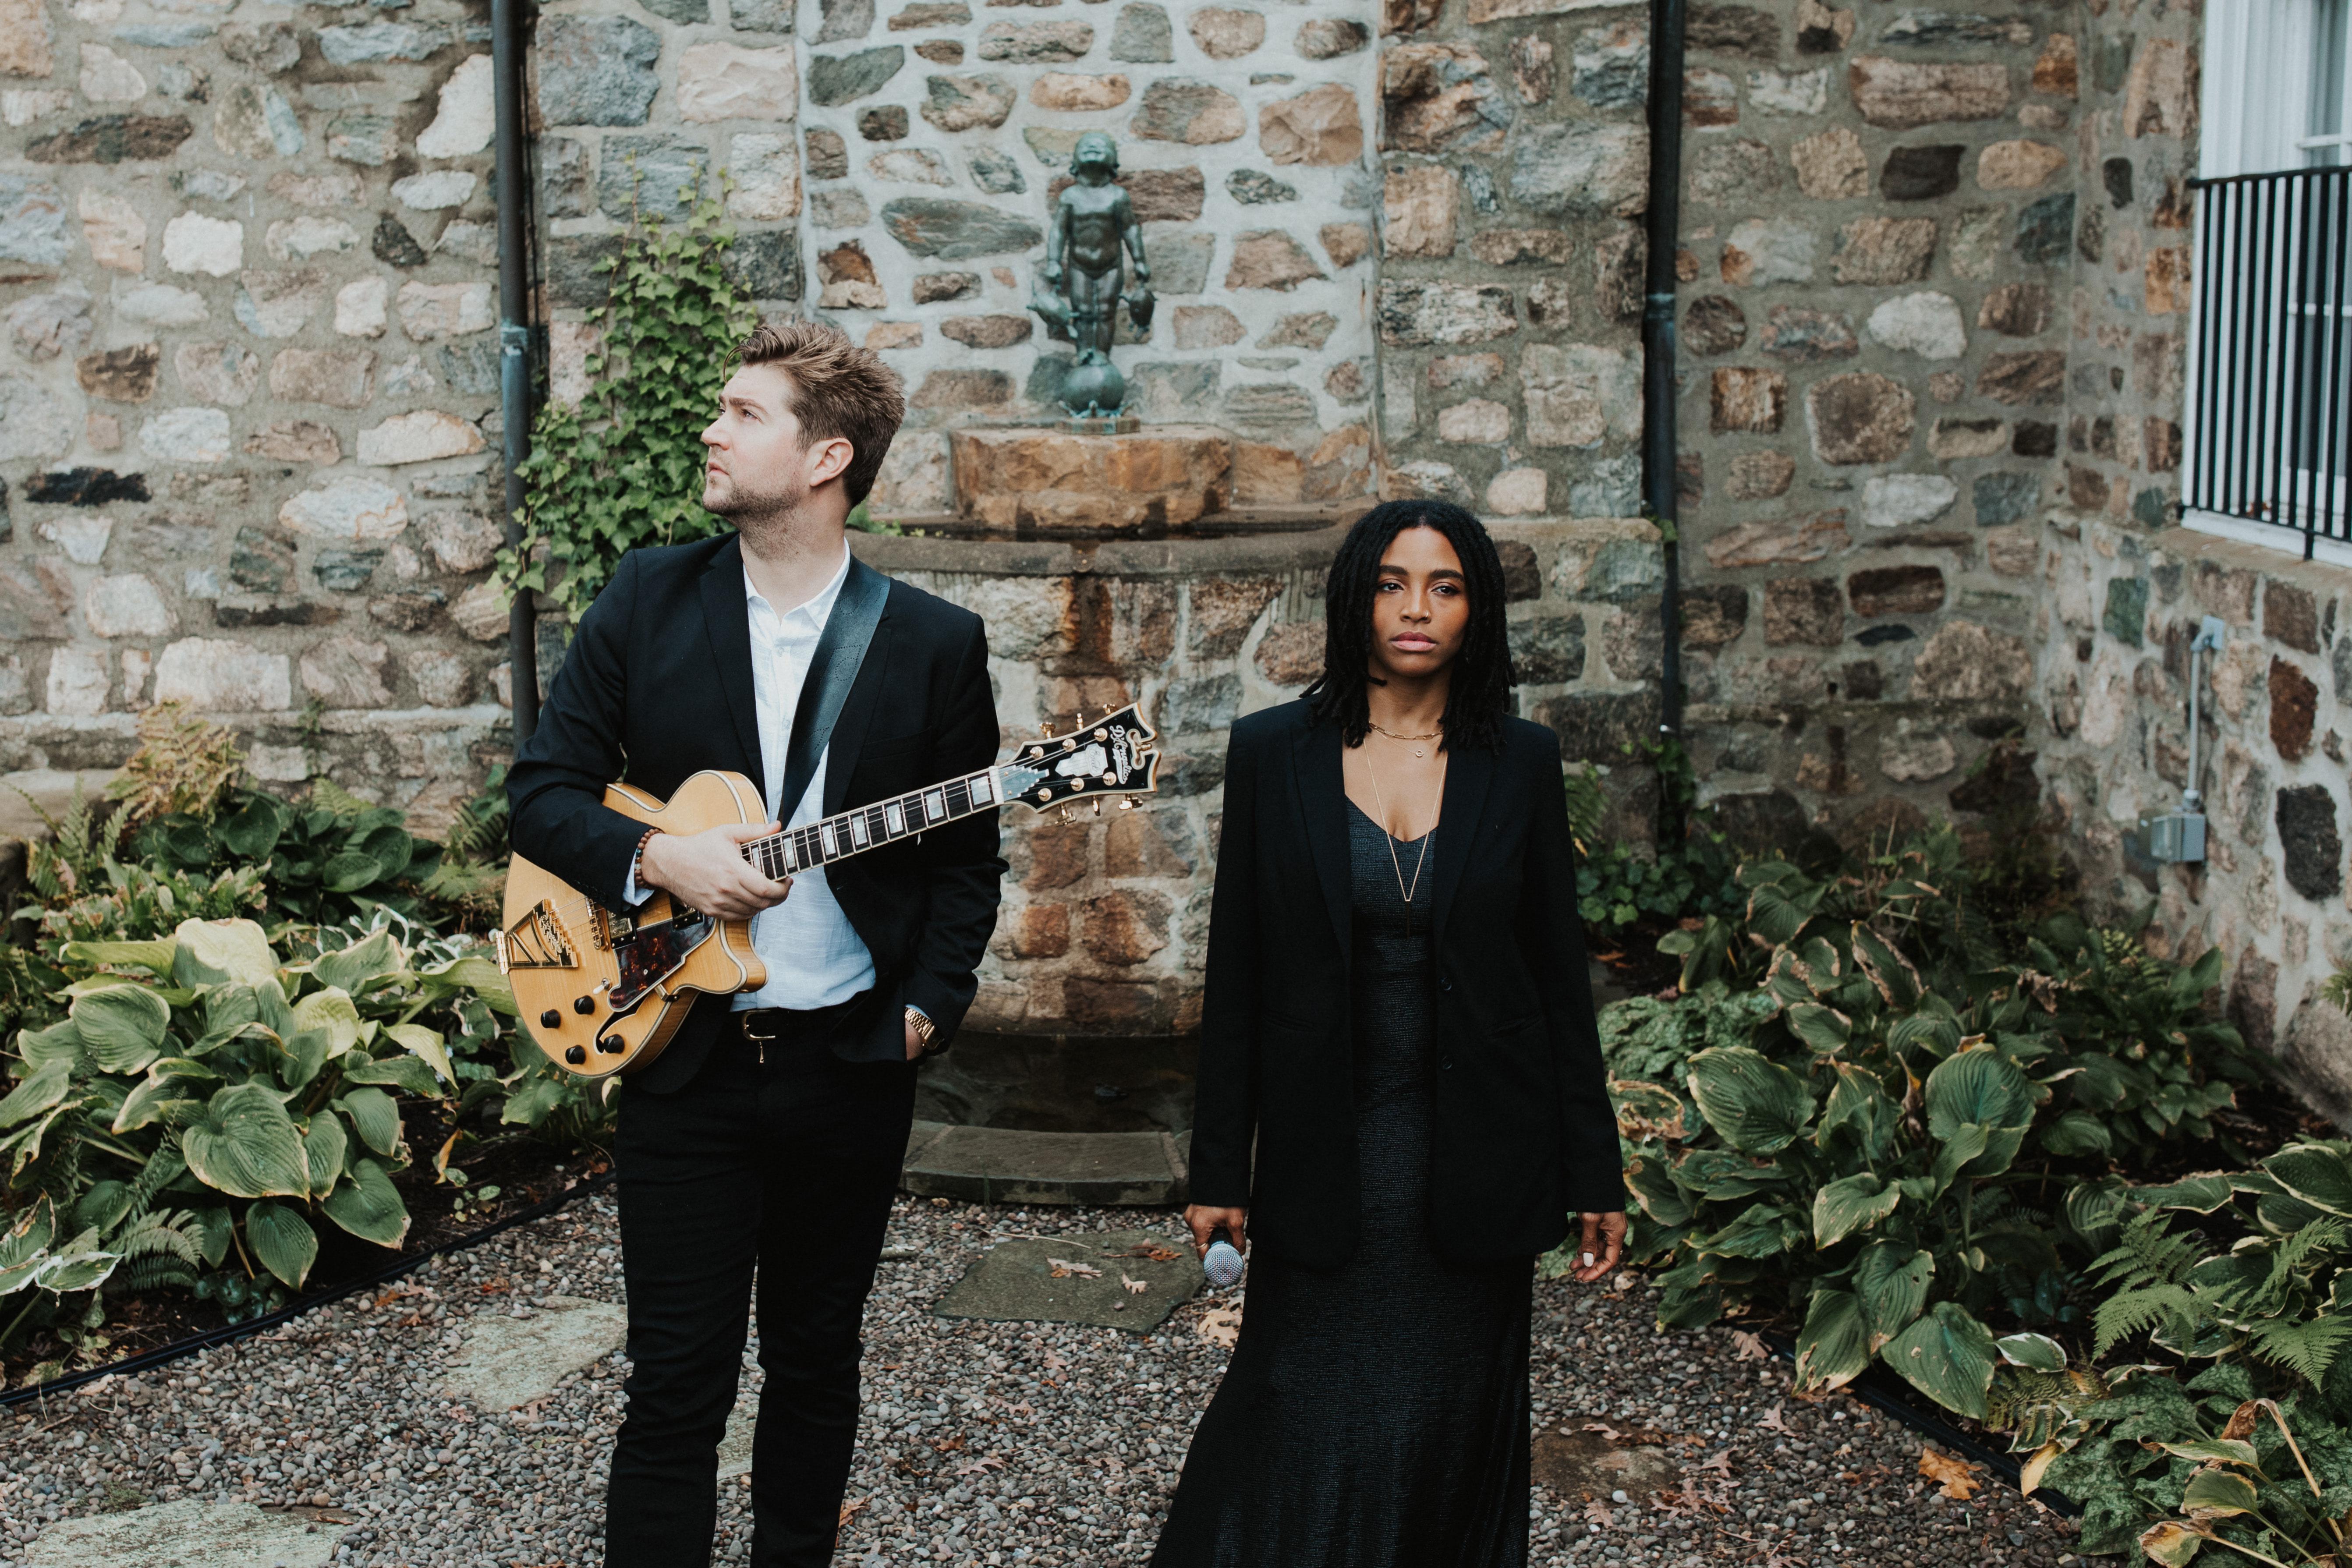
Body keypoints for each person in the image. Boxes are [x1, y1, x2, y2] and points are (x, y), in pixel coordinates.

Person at [506, 319, 1005, 1567]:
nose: (711, 429)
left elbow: (965, 861)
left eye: (743, 413)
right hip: (683, 1055)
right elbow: (541, 794)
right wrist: (660, 857)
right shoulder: (649, 596)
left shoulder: (932, 640)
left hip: (849, 1060)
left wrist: (926, 1008)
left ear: (827, 456)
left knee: (817, 1362)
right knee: (674, 1380)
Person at [1151, 499, 1629, 1568]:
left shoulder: (1521, 760)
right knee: (1294, 1406)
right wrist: (1219, 1165)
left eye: (1444, 586)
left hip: (1478, 1155)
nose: (1416, 608)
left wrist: (1593, 1169)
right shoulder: (1273, 751)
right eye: (1391, 583)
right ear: (1354, 599)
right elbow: (1238, 973)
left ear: (1476, 609)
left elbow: (1559, 982)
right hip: (1328, 1150)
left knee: (1445, 1421)